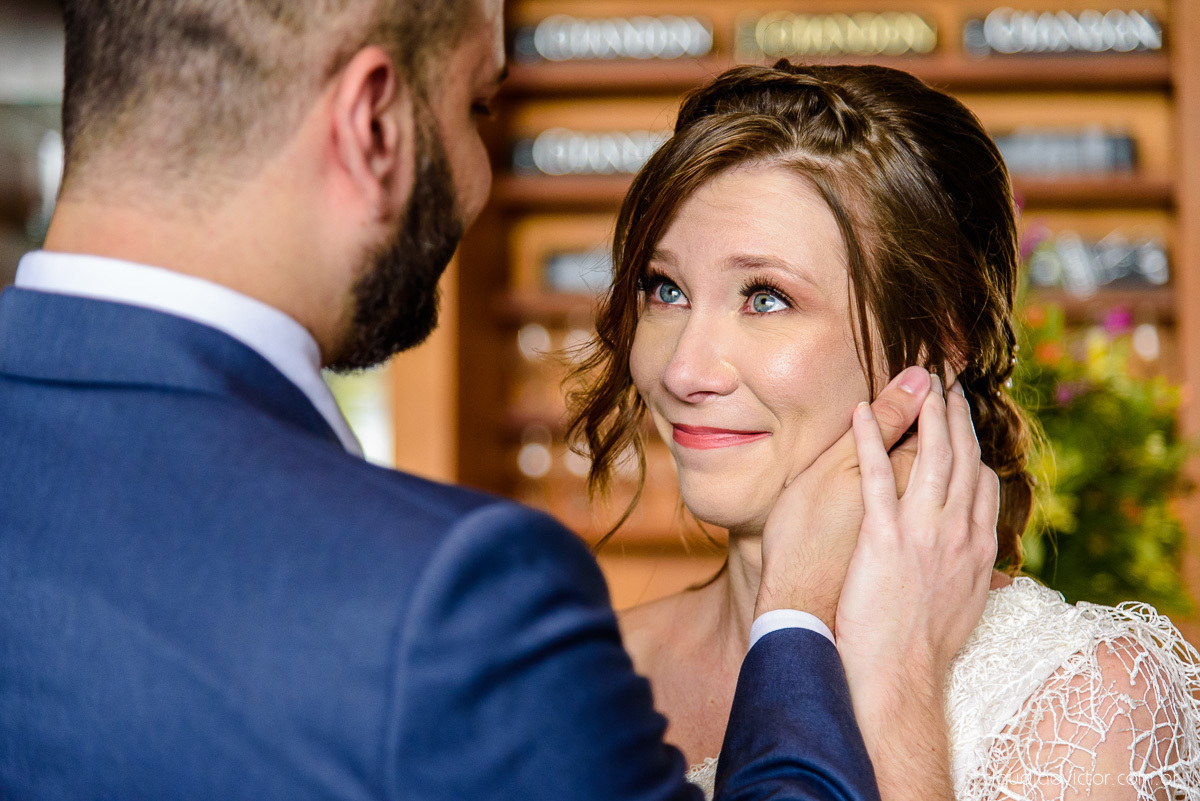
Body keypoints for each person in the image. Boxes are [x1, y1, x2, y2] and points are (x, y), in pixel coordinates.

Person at [0, 4, 998, 801]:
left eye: (767, 297)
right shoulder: (455, 601)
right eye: (477, 108)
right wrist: (808, 628)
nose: (690, 363)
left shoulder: (1083, 684)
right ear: (375, 121)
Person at [567, 61, 1200, 801]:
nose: (683, 369)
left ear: (935, 341)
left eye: (765, 298)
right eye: (665, 289)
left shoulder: (1090, 700)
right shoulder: (588, 675)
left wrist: (900, 689)